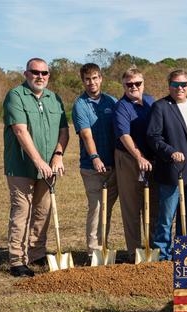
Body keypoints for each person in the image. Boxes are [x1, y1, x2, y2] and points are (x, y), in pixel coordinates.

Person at [3, 57, 69, 277]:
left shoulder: (54, 98)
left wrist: (58, 155)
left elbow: (63, 130)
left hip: (49, 168)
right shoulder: (15, 96)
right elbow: (20, 130)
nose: (40, 76)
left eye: (44, 73)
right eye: (35, 72)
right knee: (22, 210)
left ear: (49, 75)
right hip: (21, 166)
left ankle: (37, 253)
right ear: (26, 73)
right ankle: (17, 260)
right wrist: (38, 161)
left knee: (43, 210)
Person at [146, 69, 187, 259]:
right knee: (167, 215)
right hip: (171, 169)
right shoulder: (160, 106)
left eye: (184, 84)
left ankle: (183, 251)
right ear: (169, 85)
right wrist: (170, 152)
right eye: (176, 84)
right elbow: (153, 137)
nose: (180, 88)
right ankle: (162, 253)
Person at [72, 63, 118, 256]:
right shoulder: (80, 105)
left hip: (114, 166)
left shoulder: (112, 101)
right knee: (97, 207)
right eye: (87, 79)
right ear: (83, 81)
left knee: (107, 209)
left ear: (101, 78)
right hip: (92, 168)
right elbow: (86, 134)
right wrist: (95, 157)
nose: (92, 82)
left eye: (95, 78)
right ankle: (94, 252)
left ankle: (104, 247)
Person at [114, 67, 157, 260]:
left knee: (153, 204)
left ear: (143, 83)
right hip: (129, 159)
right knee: (132, 205)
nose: (133, 87)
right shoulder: (121, 106)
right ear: (123, 86)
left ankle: (153, 248)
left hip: (152, 160)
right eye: (129, 84)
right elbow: (124, 135)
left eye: (137, 83)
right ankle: (133, 251)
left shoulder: (151, 101)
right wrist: (139, 157)